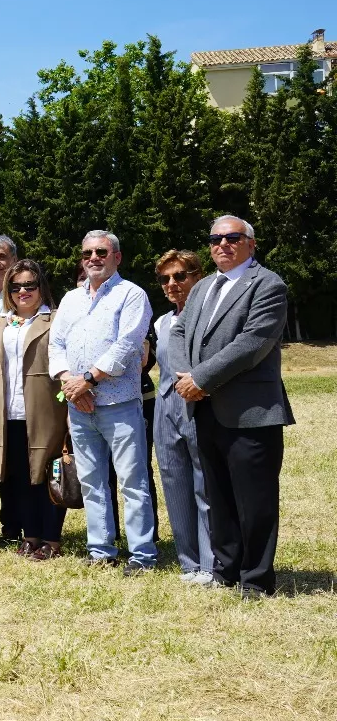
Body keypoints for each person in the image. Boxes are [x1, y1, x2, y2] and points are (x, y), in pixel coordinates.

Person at [171, 215, 295, 598]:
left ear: (250, 244)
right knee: (219, 496)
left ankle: (256, 580)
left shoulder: (268, 285)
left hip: (250, 413)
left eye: (232, 238)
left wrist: (201, 379)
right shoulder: (205, 285)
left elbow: (252, 343)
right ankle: (226, 570)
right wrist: (184, 375)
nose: (222, 244)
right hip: (205, 409)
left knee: (254, 501)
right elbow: (179, 331)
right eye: (215, 239)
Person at [48, 229, 158, 574]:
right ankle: (100, 550)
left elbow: (127, 347)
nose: (93, 258)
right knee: (92, 481)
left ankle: (142, 555)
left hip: (120, 404)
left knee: (132, 481)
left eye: (101, 252)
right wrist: (70, 384)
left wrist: (89, 380)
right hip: (78, 407)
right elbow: (56, 346)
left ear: (117, 257)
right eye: (87, 253)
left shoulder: (132, 295)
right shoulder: (70, 299)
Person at [0, 260, 69, 559]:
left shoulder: (55, 320)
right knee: (20, 476)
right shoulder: (1, 322)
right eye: (15, 287)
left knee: (50, 475)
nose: (23, 292)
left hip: (46, 412)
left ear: (41, 286)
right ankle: (30, 536)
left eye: (30, 285)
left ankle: (51, 539)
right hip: (9, 412)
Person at [152, 249, 214, 584]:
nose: (172, 284)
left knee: (205, 484)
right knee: (174, 483)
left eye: (180, 276)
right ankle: (188, 563)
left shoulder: (209, 316)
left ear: (197, 276)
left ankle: (211, 562)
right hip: (165, 407)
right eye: (165, 278)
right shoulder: (161, 322)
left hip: (199, 405)